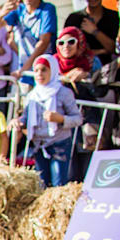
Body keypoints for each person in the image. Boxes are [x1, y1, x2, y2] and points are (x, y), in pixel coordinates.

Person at [10, 54, 83, 186]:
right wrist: (18, 121)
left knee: (58, 184)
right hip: (39, 145)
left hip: (59, 145)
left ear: (53, 71)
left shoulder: (63, 93)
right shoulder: (32, 95)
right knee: (41, 184)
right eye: (36, 70)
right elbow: (26, 117)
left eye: (44, 70)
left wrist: (61, 119)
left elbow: (78, 119)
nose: (39, 74)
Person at [64, 0, 119, 64]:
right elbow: (67, 49)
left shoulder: (114, 17)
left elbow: (114, 48)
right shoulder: (74, 18)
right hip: (80, 66)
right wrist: (102, 51)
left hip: (108, 66)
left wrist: (95, 31)